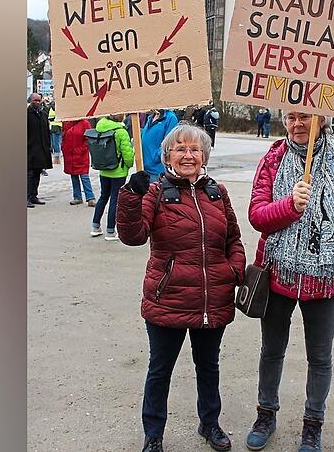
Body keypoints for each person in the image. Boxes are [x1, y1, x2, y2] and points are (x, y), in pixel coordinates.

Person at [245, 111, 334, 452]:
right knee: (271, 351)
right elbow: (257, 215)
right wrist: (290, 205)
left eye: (305, 117)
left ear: (322, 120)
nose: (298, 124)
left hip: (326, 280)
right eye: (291, 117)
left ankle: (313, 424)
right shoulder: (274, 157)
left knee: (320, 357)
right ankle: (266, 414)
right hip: (278, 275)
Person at [117, 124, 247, 452]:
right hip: (168, 298)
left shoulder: (217, 192)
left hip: (212, 298)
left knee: (208, 366)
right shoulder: (155, 191)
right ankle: (154, 435)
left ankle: (210, 423)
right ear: (168, 156)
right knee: (160, 370)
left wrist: (234, 269)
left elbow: (233, 237)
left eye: (195, 149)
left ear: (204, 155)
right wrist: (131, 195)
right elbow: (133, 235)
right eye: (180, 149)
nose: (188, 155)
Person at [90, 114, 134, 240]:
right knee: (115, 198)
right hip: (118, 171)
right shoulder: (121, 132)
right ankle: (110, 231)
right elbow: (127, 154)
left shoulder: (100, 127)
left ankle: (95, 226)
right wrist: (129, 164)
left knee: (103, 196)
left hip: (103, 169)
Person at [61, 118, 96, 206]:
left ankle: (90, 197)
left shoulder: (85, 123)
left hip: (81, 154)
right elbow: (64, 136)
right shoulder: (67, 122)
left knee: (84, 176)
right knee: (74, 176)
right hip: (69, 154)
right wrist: (63, 148)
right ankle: (77, 197)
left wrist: (82, 149)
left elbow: (88, 139)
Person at [27, 93, 52, 208]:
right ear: (30, 101)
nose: (37, 102)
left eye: (39, 100)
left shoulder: (43, 114)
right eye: (35, 100)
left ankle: (34, 196)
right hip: (30, 149)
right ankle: (27, 197)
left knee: (37, 173)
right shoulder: (27, 114)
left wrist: (48, 146)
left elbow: (47, 131)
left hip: (41, 149)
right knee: (29, 174)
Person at [141, 108, 179, 179]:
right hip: (145, 168)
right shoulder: (151, 117)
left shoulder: (170, 118)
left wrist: (157, 157)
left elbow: (169, 142)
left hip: (157, 170)